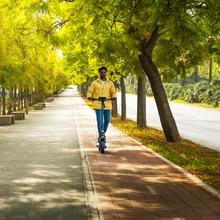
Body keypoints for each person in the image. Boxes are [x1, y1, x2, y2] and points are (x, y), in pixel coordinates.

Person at [87, 66, 116, 142]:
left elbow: (113, 91)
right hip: (98, 104)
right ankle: (101, 136)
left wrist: (114, 96)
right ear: (99, 73)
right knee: (99, 121)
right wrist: (89, 96)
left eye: (104, 72)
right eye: (101, 72)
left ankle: (102, 134)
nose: (103, 73)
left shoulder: (110, 83)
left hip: (107, 104)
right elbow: (90, 91)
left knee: (107, 120)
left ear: (106, 73)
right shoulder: (95, 83)